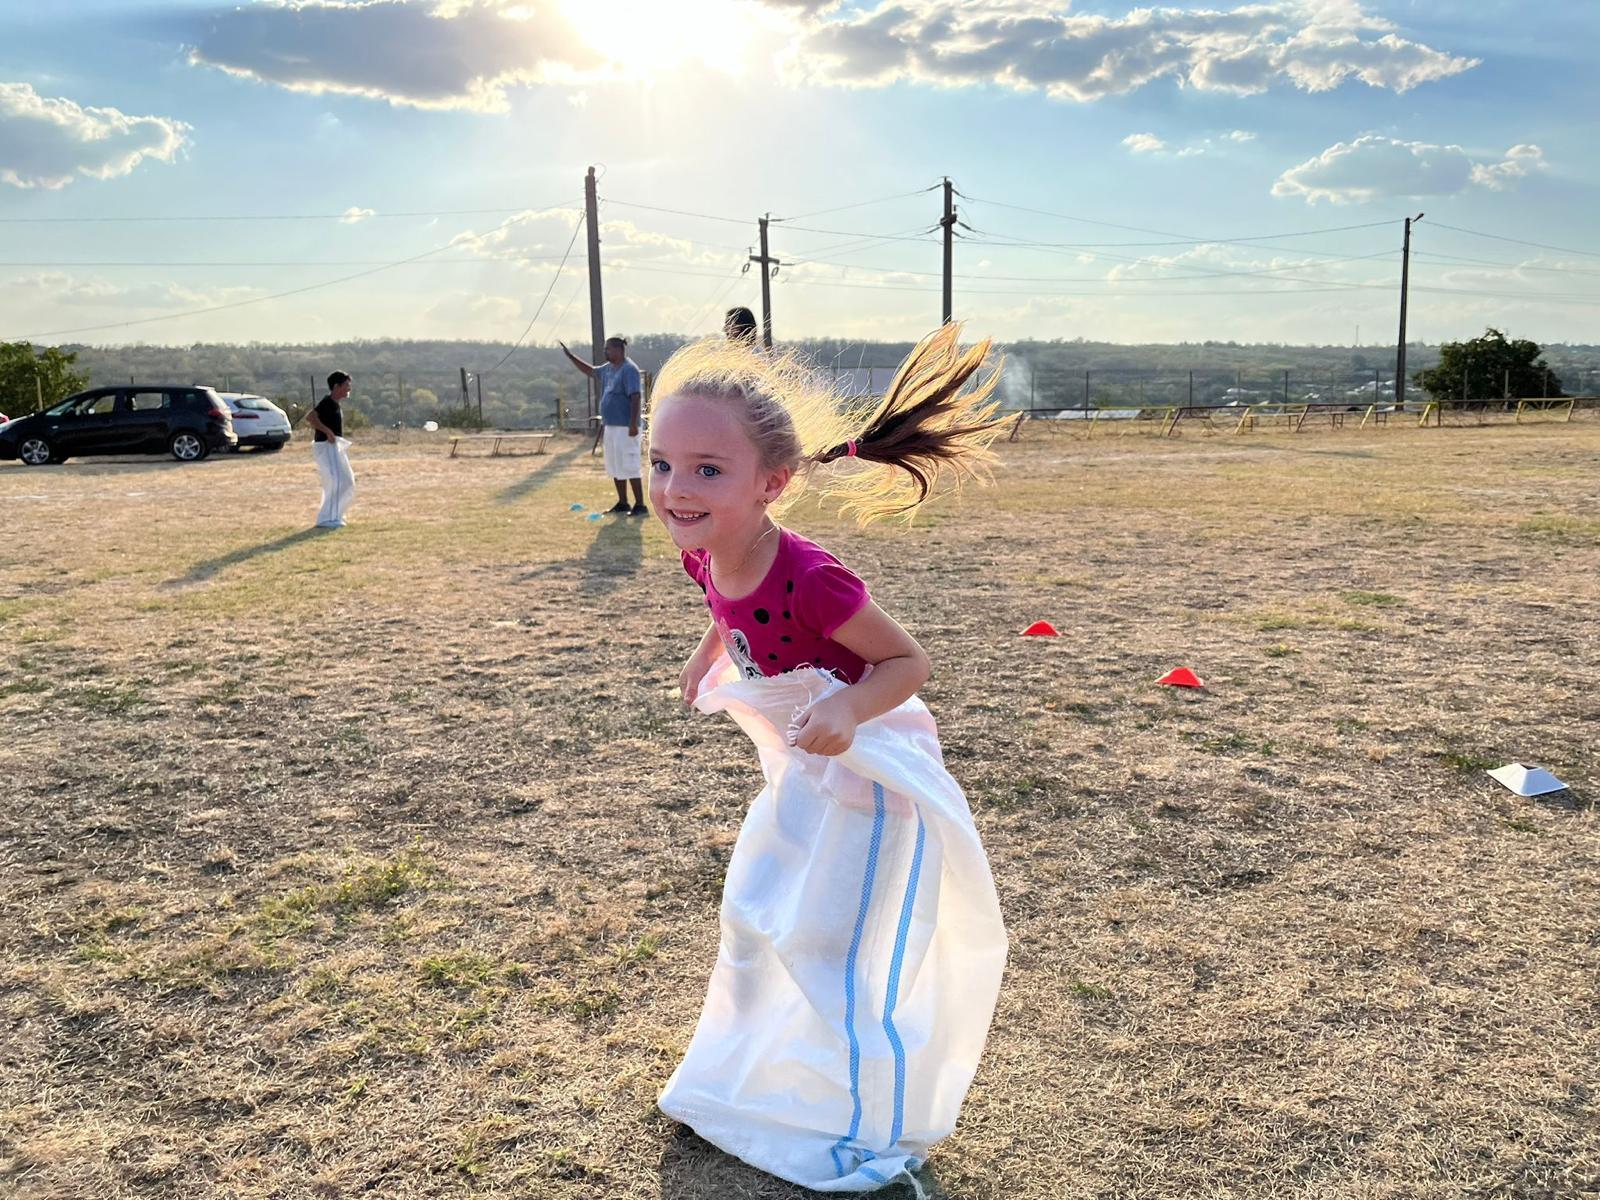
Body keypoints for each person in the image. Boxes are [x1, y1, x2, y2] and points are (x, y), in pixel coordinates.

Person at [648, 324, 1010, 1191]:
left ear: (773, 483)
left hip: (878, 772)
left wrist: (848, 705)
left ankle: (870, 1140)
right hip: (809, 763)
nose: (674, 488)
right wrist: (709, 654)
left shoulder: (813, 578)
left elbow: (908, 663)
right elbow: (724, 609)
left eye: (706, 469)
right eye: (662, 463)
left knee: (842, 955)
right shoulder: (705, 548)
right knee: (760, 915)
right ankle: (762, 1076)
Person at [559, 336, 646, 515]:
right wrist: (571, 356)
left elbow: (635, 397)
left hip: (626, 427)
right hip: (611, 426)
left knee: (629, 464)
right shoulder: (608, 369)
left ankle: (640, 505)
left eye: (608, 349)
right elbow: (591, 371)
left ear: (619, 350)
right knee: (615, 465)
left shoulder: (629, 370)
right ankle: (623, 503)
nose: (605, 352)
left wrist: (632, 424)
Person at [303, 370, 355, 529]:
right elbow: (311, 417)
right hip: (327, 445)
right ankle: (327, 518)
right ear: (336, 386)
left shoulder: (335, 404)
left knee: (346, 481)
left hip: (335, 445)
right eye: (346, 385)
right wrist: (327, 432)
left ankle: (336, 515)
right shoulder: (328, 402)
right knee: (338, 481)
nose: (349, 389)